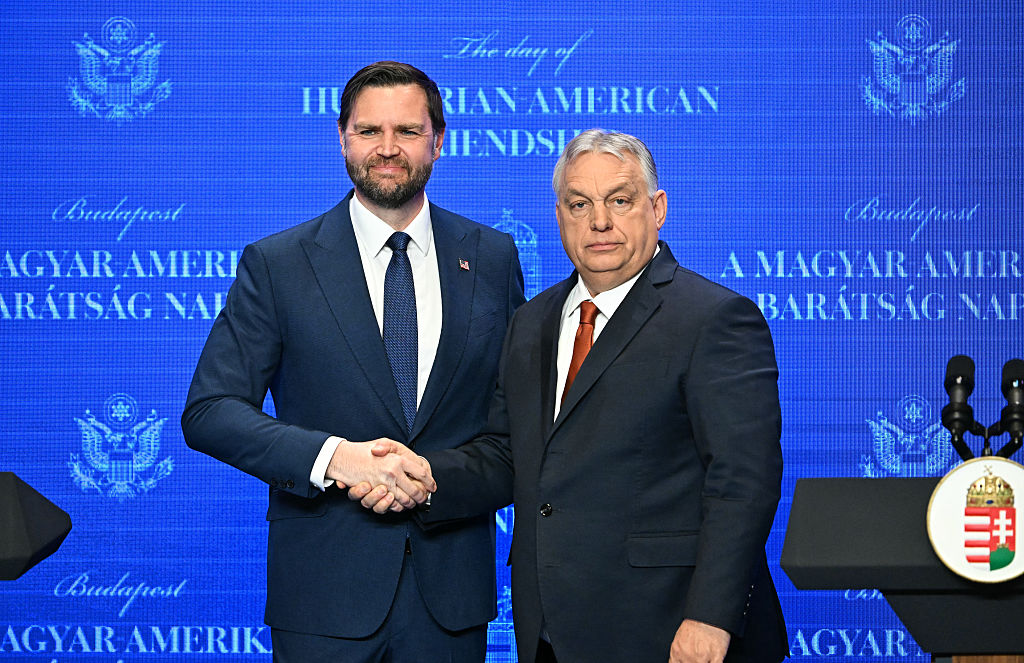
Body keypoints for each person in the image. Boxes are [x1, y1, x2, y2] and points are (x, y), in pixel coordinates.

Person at [355, 129, 788, 662]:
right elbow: (508, 453)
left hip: (674, 632)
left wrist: (710, 619)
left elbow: (743, 482)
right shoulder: (531, 322)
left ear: (658, 209)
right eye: (579, 204)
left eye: (620, 201)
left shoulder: (714, 319)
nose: (599, 222)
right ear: (559, 215)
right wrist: (424, 478)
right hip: (552, 632)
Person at [181, 61, 525, 662]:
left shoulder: (492, 258)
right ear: (342, 137)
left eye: (408, 132)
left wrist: (430, 480)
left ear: (439, 141)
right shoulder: (278, 264)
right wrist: (336, 459)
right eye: (369, 131)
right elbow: (210, 411)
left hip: (449, 599)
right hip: (322, 599)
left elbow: (515, 432)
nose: (387, 149)